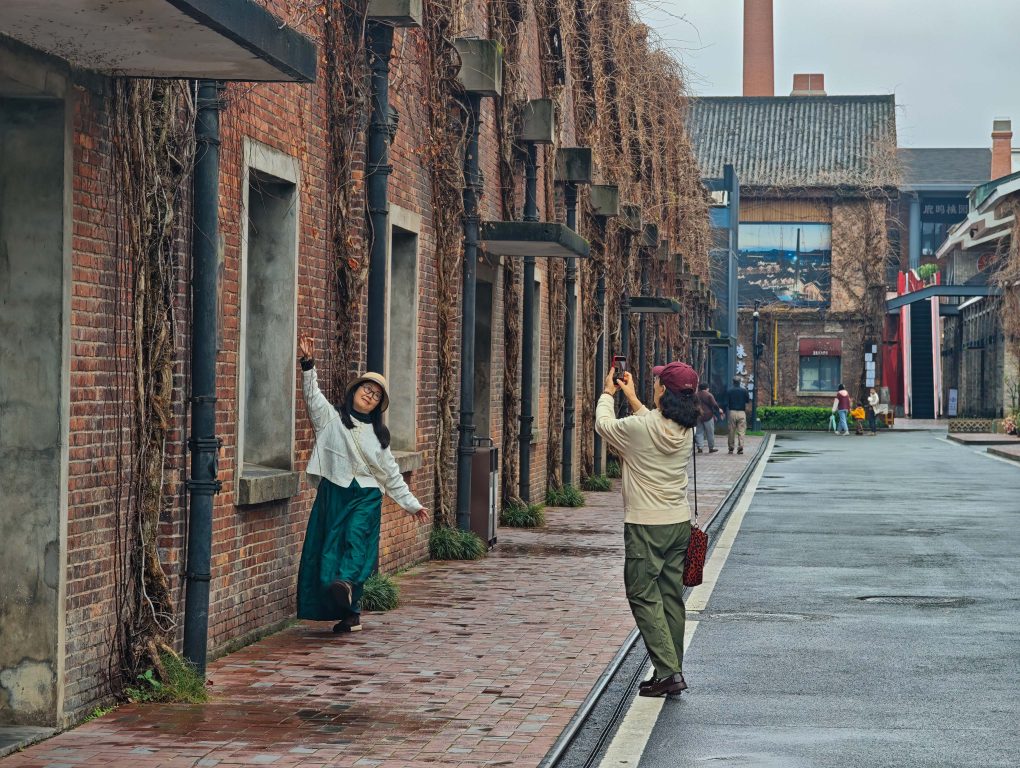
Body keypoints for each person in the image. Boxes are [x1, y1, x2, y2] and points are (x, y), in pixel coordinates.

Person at [296, 334, 429, 634]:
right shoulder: (331, 419)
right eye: (366, 389)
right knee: (328, 549)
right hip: (334, 491)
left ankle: (345, 583)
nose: (370, 395)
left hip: (367, 495)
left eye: (376, 395)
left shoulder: (380, 436)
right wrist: (308, 364)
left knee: (356, 541)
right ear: (355, 390)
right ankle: (350, 613)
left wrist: (412, 505)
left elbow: (392, 474)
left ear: (379, 405)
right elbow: (312, 397)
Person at [595, 361, 701, 698]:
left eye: (657, 382)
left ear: (663, 391)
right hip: (678, 524)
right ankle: (671, 668)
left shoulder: (638, 429)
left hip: (645, 525)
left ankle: (668, 672)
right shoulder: (687, 430)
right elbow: (654, 425)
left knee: (641, 593)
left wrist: (608, 393)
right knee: (670, 597)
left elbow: (603, 425)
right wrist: (633, 398)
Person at [724, 376, 750, 454]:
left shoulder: (729, 391)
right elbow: (747, 401)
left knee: (731, 430)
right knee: (741, 430)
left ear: (733, 382)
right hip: (742, 412)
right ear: (740, 382)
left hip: (732, 412)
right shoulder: (744, 391)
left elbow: (726, 403)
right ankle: (740, 446)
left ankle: (731, 448)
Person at [695, 383, 723, 454]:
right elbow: (714, 404)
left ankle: (700, 447)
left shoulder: (696, 395)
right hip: (708, 415)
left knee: (699, 432)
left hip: (698, 415)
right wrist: (719, 410)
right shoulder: (709, 395)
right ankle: (711, 448)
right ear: (707, 388)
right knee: (710, 432)